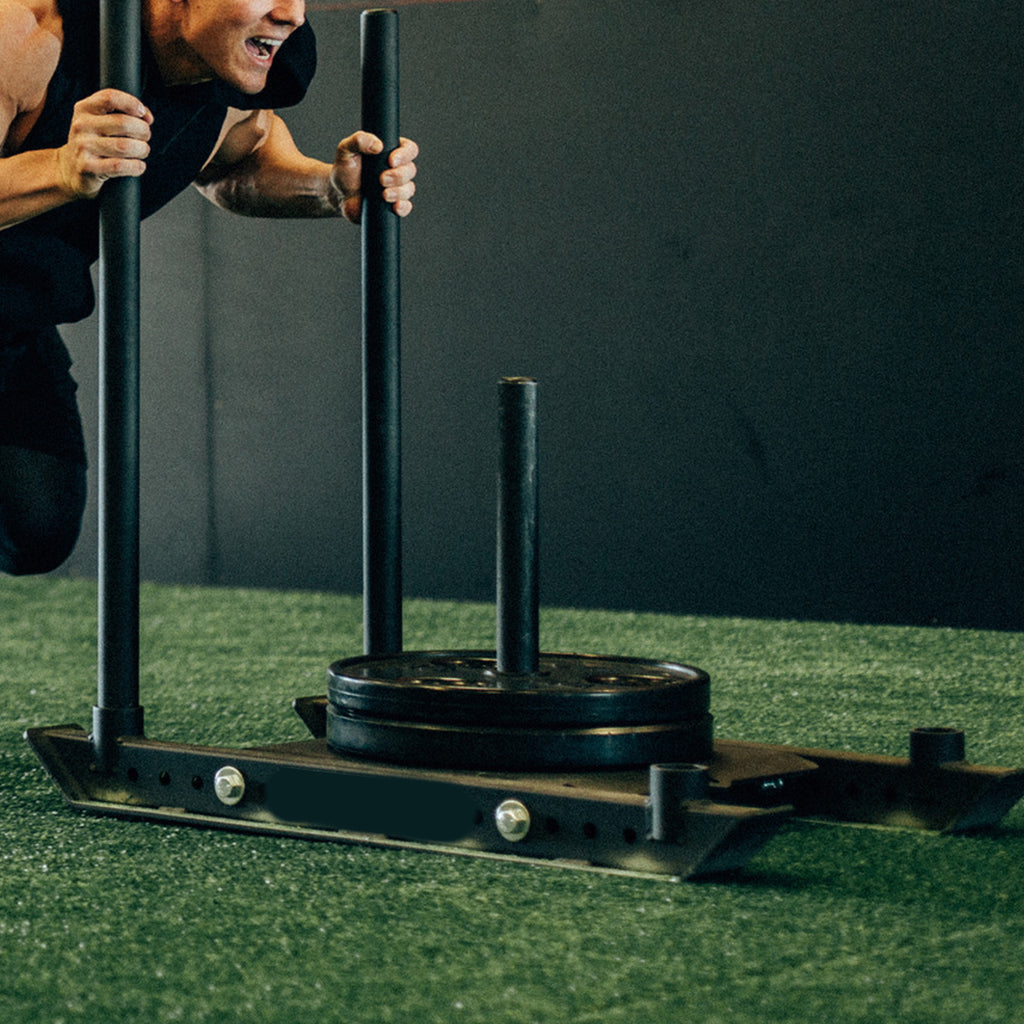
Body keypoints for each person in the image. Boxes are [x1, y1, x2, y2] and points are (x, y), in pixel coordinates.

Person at [0, 0, 418, 574]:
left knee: (36, 527)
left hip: (13, 321)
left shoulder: (220, 72)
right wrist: (60, 167)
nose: (291, 14)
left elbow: (236, 160)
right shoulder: (23, 37)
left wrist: (328, 186)